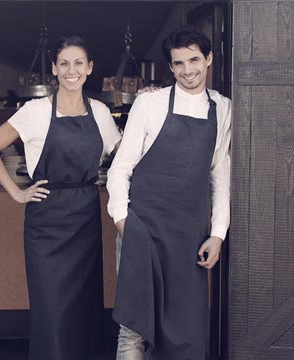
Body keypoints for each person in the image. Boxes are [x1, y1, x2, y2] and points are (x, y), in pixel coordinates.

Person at [0, 36, 121, 360]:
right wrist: (16, 192)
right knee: (52, 312)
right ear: (55, 70)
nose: (72, 70)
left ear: (89, 68)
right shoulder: (35, 111)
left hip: (85, 219)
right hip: (46, 224)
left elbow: (124, 156)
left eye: (78, 63)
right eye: (64, 64)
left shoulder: (99, 112)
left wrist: (149, 106)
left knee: (85, 312)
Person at [106, 26, 231, 360]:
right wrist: (123, 222)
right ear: (171, 67)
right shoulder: (150, 103)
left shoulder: (223, 108)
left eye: (194, 60)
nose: (187, 70)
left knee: (186, 329)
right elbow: (121, 168)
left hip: (189, 236)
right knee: (134, 327)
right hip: (142, 229)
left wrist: (217, 234)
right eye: (178, 63)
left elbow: (220, 176)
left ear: (208, 59)